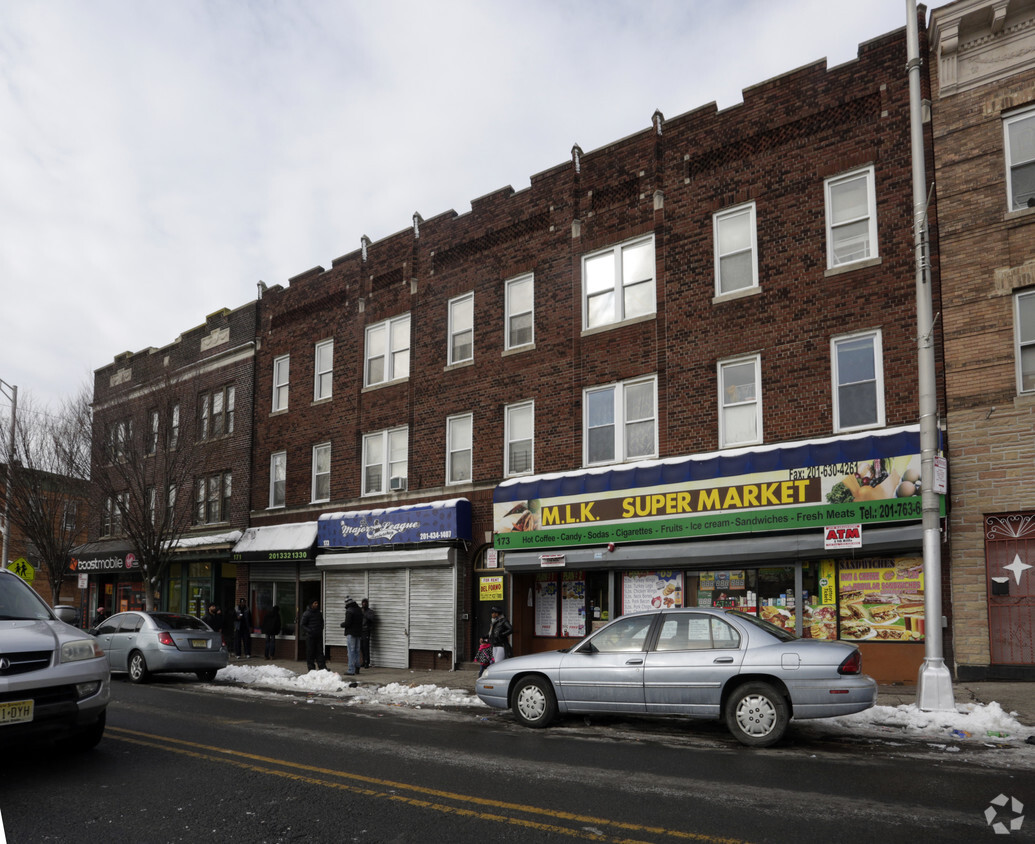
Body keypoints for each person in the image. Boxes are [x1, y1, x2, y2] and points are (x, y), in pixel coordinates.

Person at [300, 599, 326, 671]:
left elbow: (322, 622)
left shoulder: (319, 613)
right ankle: (311, 668)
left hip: (318, 635)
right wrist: (310, 631)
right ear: (311, 604)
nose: (316, 604)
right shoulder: (307, 613)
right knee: (310, 652)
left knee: (320, 652)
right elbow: (302, 624)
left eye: (317, 603)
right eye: (315, 603)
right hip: (310, 636)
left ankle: (322, 667)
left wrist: (321, 629)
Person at [340, 595, 363, 676]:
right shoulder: (359, 610)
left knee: (351, 651)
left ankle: (351, 669)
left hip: (351, 633)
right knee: (357, 650)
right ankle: (357, 667)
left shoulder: (349, 611)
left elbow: (348, 623)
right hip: (359, 633)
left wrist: (342, 624)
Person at [360, 598, 375, 669]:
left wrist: (364, 615)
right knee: (361, 647)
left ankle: (367, 662)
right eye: (363, 603)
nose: (364, 605)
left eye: (365, 603)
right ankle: (363, 661)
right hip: (360, 631)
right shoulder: (360, 611)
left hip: (366, 631)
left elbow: (372, 619)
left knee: (366, 647)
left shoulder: (370, 612)